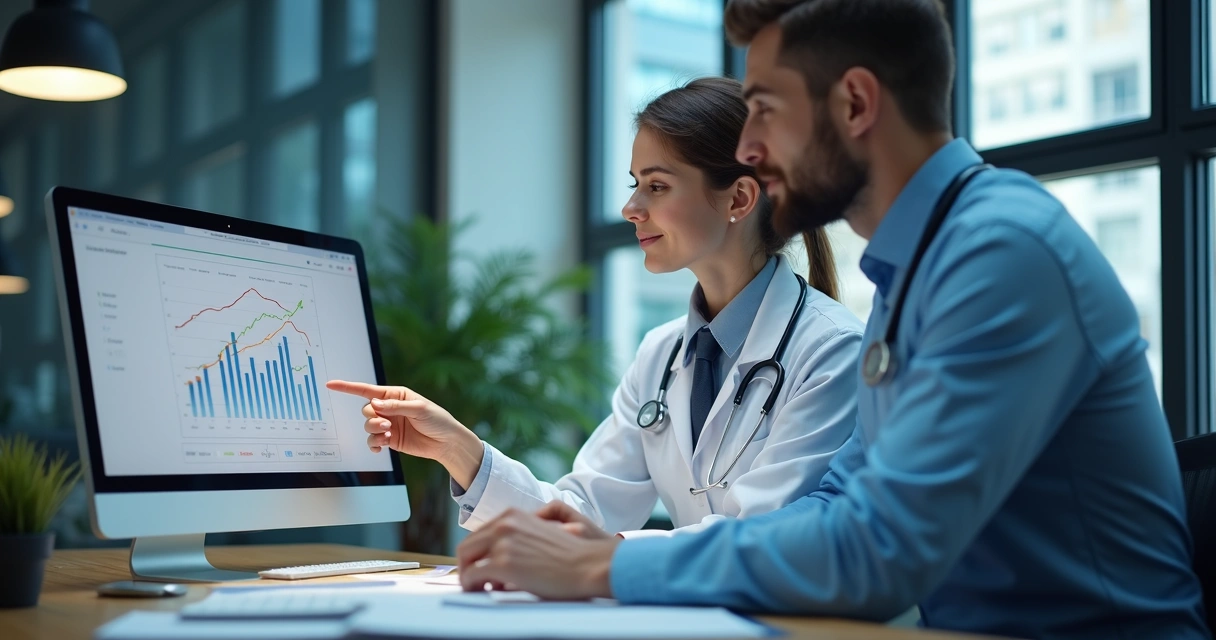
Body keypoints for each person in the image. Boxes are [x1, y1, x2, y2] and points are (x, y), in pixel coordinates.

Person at [452, 1, 1210, 638]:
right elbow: (834, 506)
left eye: (765, 113)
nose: (749, 148)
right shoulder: (915, 275)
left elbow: (880, 554)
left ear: (854, 104)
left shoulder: (999, 254)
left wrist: (608, 564)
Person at [329, 77, 864, 538]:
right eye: (636, 185)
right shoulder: (661, 355)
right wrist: (461, 451)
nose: (631, 209)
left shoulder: (831, 351)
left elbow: (762, 538)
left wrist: (608, 555)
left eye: (656, 185)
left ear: (739, 199)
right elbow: (583, 515)